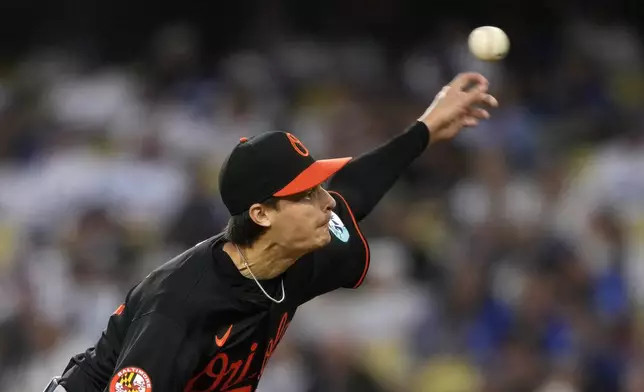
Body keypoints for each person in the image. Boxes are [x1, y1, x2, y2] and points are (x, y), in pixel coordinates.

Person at [44, 72, 498, 392]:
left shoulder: (302, 248)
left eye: (318, 187)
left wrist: (426, 129)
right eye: (306, 195)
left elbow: (355, 191)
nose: (326, 203)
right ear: (261, 214)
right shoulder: (180, 306)